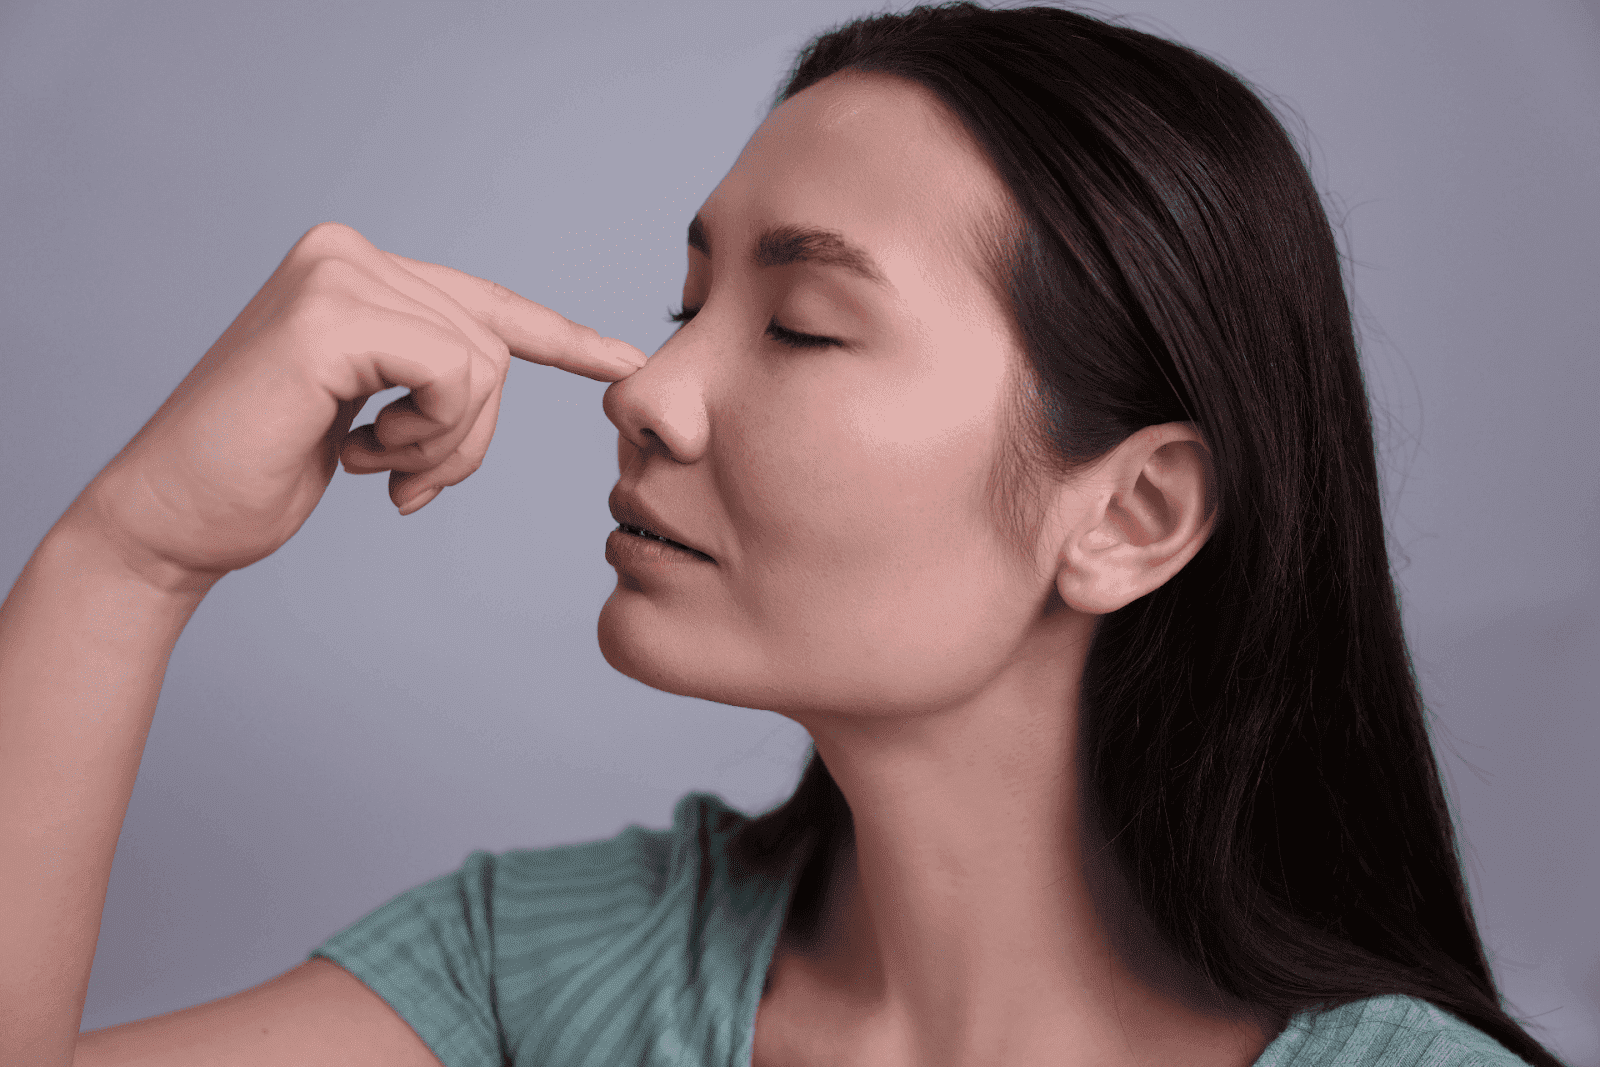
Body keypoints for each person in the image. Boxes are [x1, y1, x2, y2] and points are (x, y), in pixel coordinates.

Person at [0, 3, 1568, 1065]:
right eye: (686, 303)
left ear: (1130, 512)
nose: (652, 388)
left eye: (803, 325)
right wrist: (128, 558)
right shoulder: (548, 979)